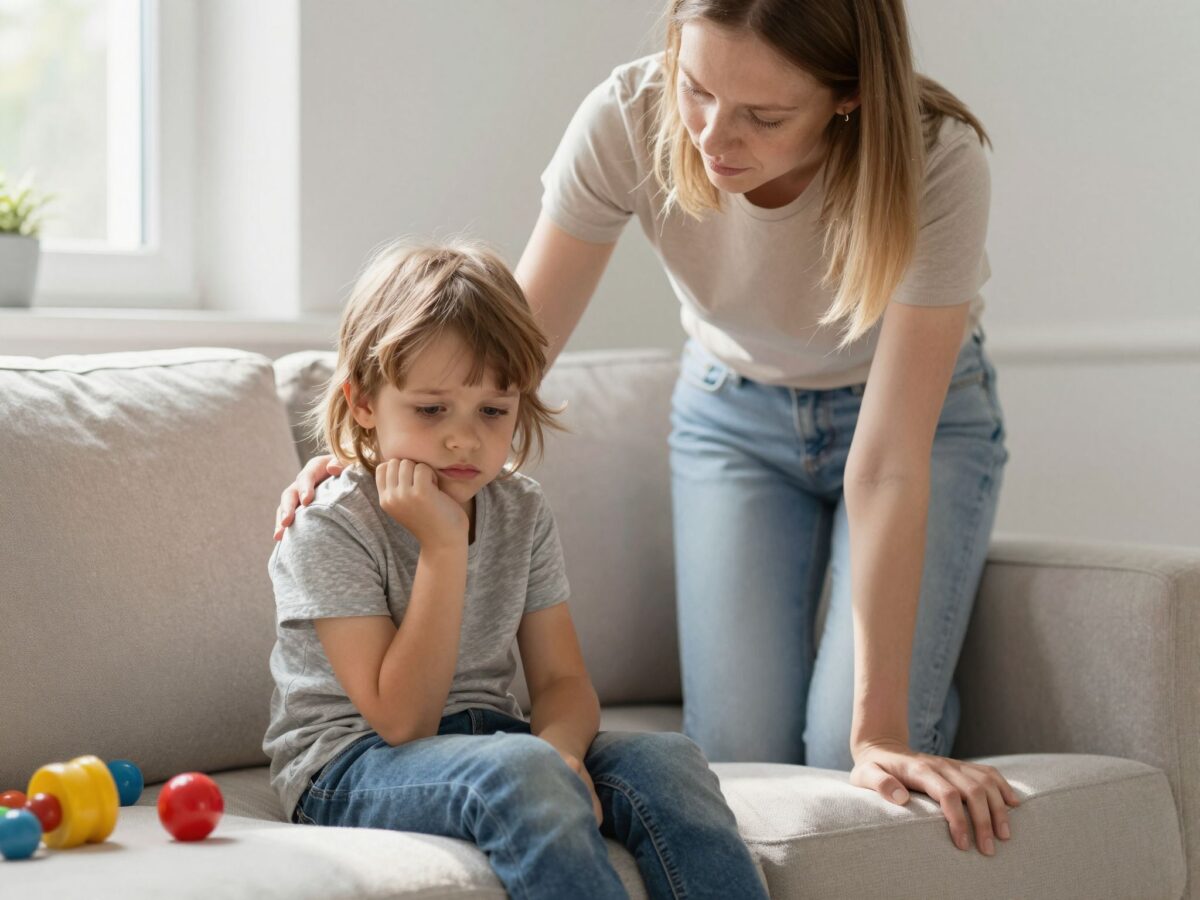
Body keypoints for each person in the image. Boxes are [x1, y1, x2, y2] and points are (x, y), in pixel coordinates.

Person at [278, 0, 1020, 857]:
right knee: (741, 761)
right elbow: (506, 360)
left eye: (763, 116)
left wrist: (882, 731)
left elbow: (888, 463)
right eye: (696, 88)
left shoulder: (937, 161)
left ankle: (924, 714)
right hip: (731, 414)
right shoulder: (629, 116)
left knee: (843, 757)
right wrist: (356, 456)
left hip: (913, 419)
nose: (711, 136)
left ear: (848, 96)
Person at [263, 240, 768, 900]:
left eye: (493, 411)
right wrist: (443, 549)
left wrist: (560, 752)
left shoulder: (518, 508)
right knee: (520, 770)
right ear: (364, 403)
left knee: (668, 759)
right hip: (351, 763)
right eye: (431, 409)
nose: (464, 439)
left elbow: (561, 679)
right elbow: (401, 722)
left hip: (496, 741)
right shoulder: (330, 524)